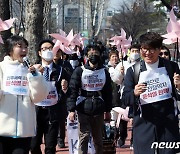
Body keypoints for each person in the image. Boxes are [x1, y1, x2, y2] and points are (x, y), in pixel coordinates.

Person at [122, 32, 180, 154]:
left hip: (167, 125)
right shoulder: (133, 71)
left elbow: (177, 95)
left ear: (160, 49)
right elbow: (125, 99)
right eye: (144, 49)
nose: (148, 53)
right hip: (144, 125)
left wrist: (178, 86)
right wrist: (134, 93)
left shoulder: (171, 67)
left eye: (152, 49)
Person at [0, 35, 49, 154]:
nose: (24, 50)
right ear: (10, 49)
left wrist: (36, 76)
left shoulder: (30, 70)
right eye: (20, 46)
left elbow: (38, 97)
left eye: (26, 47)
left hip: (24, 129)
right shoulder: (1, 67)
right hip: (2, 128)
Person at [67, 44, 112, 154]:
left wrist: (108, 110)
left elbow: (108, 92)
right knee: (84, 136)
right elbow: (72, 90)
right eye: (91, 54)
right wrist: (71, 110)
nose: (93, 55)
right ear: (86, 56)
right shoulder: (79, 71)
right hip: (83, 108)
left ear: (100, 55)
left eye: (96, 53)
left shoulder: (104, 71)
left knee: (98, 139)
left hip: (99, 108)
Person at [30, 39, 68, 154]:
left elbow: (68, 91)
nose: (48, 51)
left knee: (50, 146)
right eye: (44, 49)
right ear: (39, 53)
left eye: (50, 48)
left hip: (53, 111)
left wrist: (64, 89)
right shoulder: (33, 70)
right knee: (34, 145)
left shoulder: (61, 71)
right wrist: (36, 75)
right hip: (36, 111)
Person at [53, 49, 72, 148]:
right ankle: (52, 138)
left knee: (61, 119)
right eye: (54, 51)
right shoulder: (46, 64)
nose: (56, 53)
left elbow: (71, 77)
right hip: (49, 96)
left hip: (61, 95)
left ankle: (61, 138)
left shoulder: (66, 64)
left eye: (58, 52)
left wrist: (65, 82)